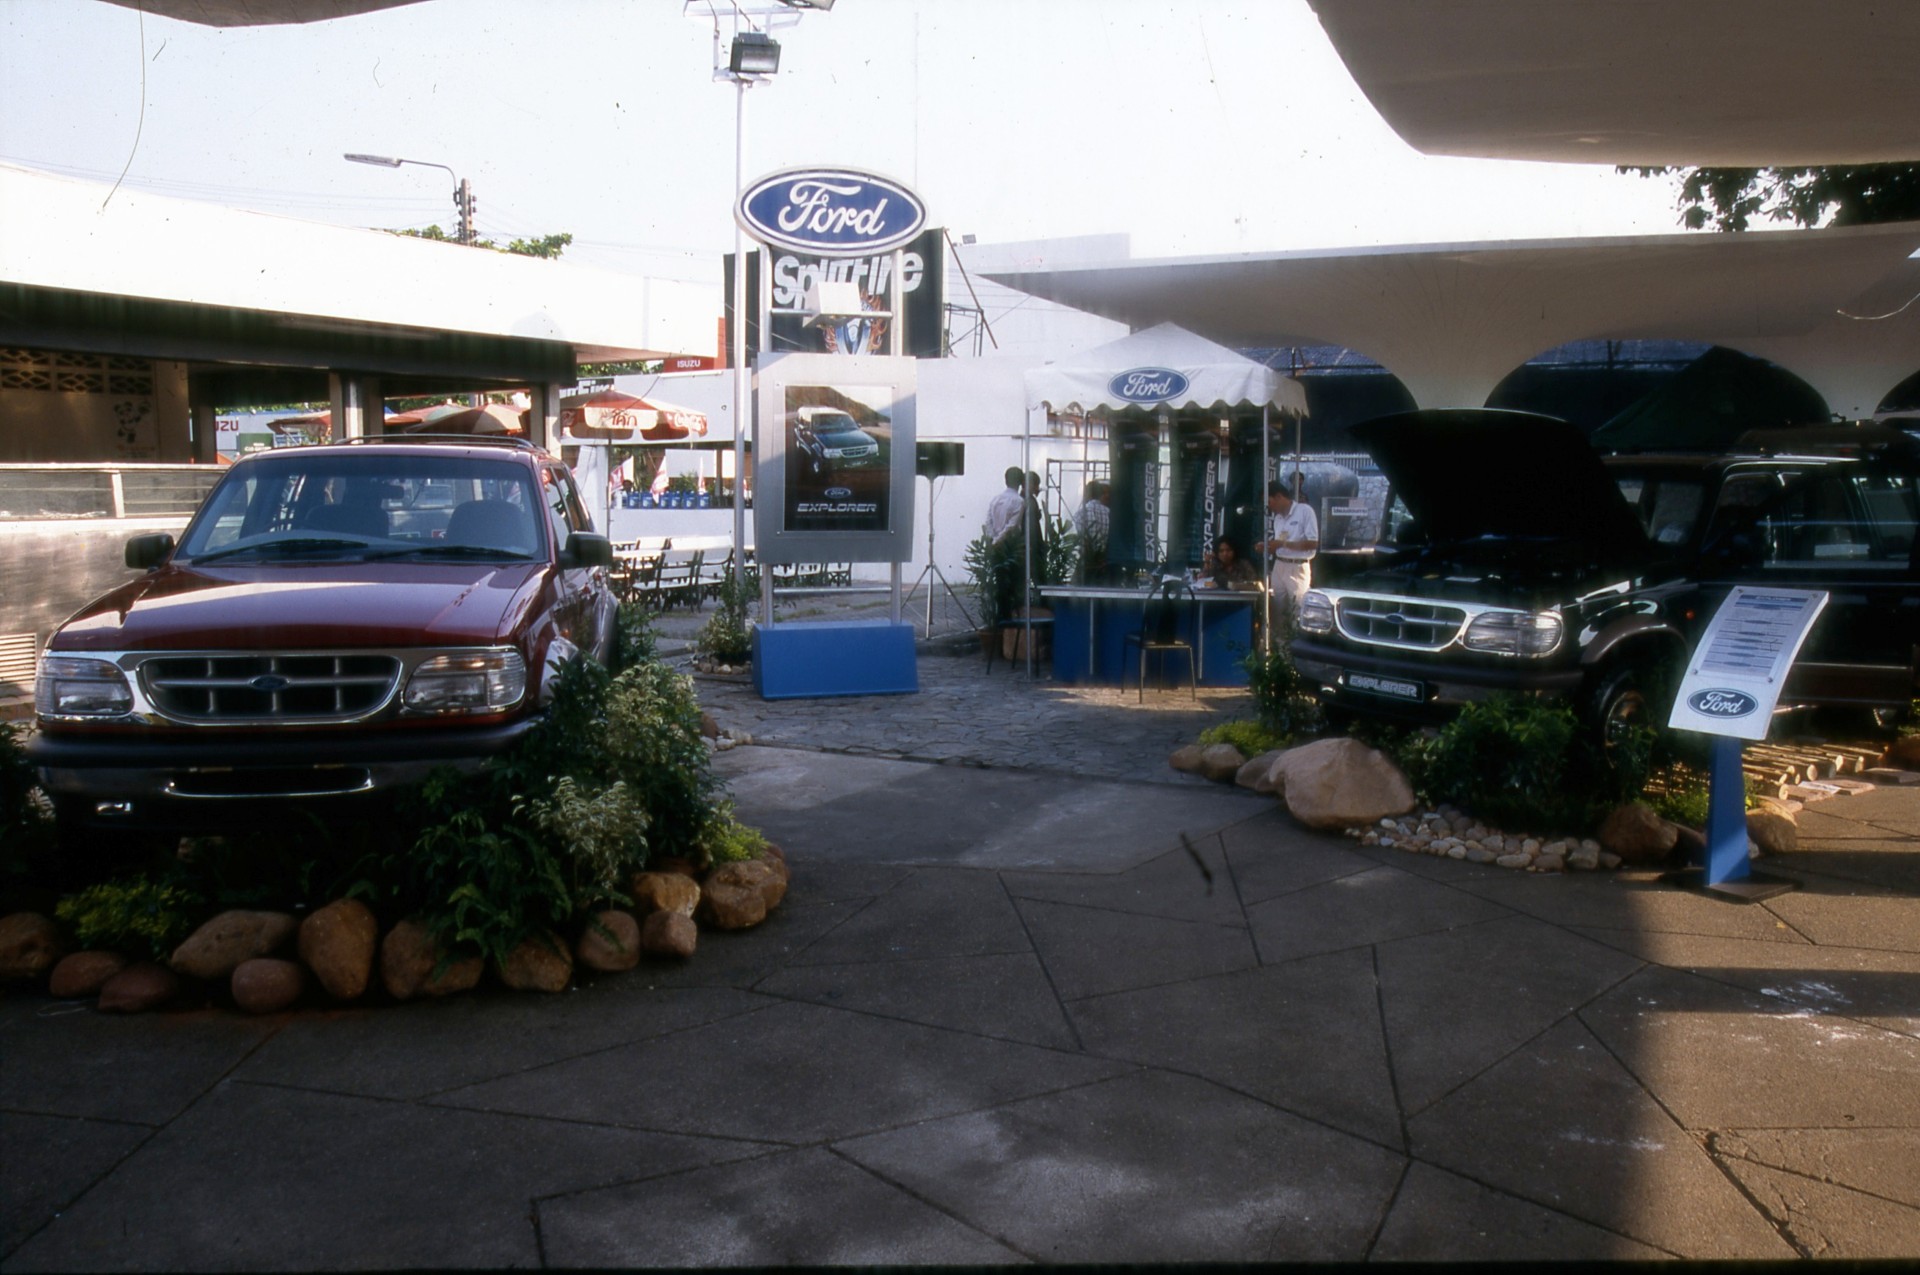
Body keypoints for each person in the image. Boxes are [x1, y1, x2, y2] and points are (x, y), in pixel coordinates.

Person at [1257, 477, 1319, 621]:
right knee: (1277, 610)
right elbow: (1281, 543)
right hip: (1279, 565)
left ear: (1279, 496)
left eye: (1269, 502)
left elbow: (1313, 543)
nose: (1269, 507)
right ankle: (1279, 636)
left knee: (1297, 609)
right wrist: (1268, 547)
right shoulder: (1278, 519)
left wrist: (1282, 544)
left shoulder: (1305, 511)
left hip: (1297, 566)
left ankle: (1296, 635)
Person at [1072, 479, 1110, 582]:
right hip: (1105, 559)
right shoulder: (1109, 512)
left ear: (1087, 494)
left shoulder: (1081, 513)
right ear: (1100, 494)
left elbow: (1083, 536)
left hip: (1088, 559)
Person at [986, 466, 1024, 545]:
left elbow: (988, 522)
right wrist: (997, 541)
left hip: (995, 542)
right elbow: (1012, 526)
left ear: (1006, 481)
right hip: (1010, 546)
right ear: (1021, 482)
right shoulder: (1019, 501)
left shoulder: (995, 499)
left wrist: (993, 539)